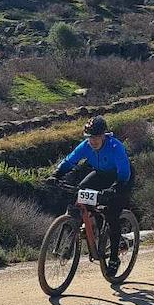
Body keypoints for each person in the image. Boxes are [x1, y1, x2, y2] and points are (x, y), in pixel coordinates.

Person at [49, 116, 133, 272]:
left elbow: (124, 174)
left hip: (120, 178)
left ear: (104, 135)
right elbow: (70, 161)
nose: (92, 141)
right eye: (89, 137)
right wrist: (56, 174)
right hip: (100, 174)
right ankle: (92, 226)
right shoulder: (85, 146)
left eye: (96, 137)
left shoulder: (116, 147)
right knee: (81, 192)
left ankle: (114, 256)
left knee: (111, 214)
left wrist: (114, 189)